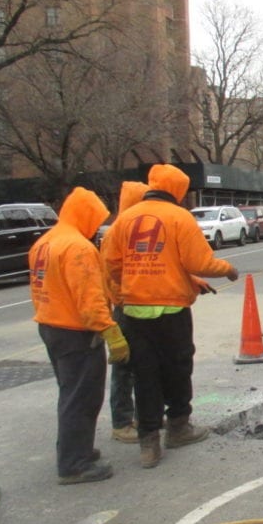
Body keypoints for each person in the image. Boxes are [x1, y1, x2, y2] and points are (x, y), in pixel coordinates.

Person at [101, 164, 238, 469]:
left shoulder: (125, 219)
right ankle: (178, 427)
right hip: (172, 311)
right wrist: (227, 269)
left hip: (135, 311)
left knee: (144, 374)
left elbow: (110, 264)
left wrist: (126, 293)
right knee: (177, 367)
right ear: (177, 190)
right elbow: (198, 261)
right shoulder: (179, 218)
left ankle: (148, 442)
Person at [29, 186, 129, 485]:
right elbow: (89, 298)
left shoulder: (45, 242)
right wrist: (111, 332)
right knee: (82, 397)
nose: (97, 226)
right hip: (76, 332)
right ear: (84, 215)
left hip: (51, 327)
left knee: (69, 392)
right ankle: (74, 464)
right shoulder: (78, 248)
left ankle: (75, 449)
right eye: (95, 219)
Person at [101, 181, 149, 444]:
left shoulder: (133, 229)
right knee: (125, 368)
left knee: (144, 365)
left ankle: (144, 416)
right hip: (126, 308)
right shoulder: (119, 232)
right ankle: (122, 422)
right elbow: (112, 274)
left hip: (137, 305)